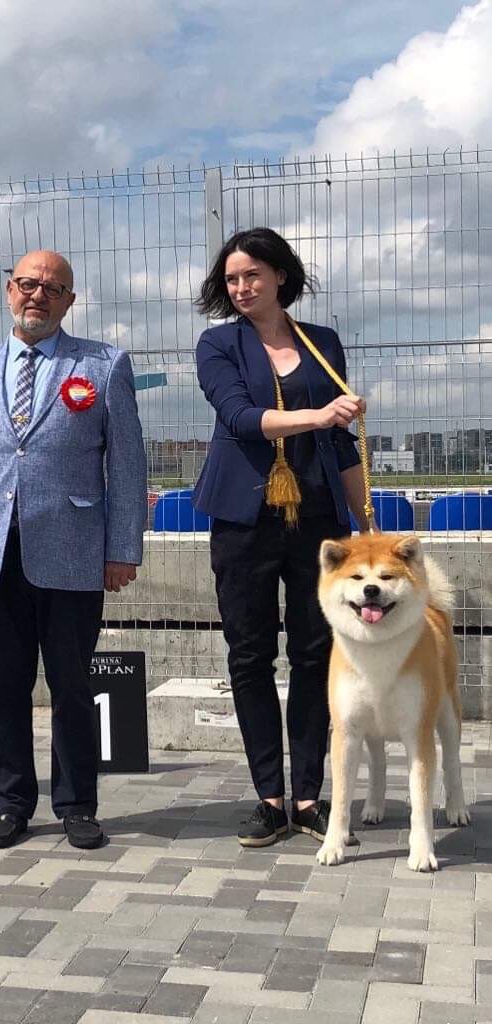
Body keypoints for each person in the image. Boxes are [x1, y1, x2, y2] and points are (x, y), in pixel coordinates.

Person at [0, 249, 147, 850]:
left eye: (53, 288)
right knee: (2, 687)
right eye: (28, 284)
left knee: (72, 687)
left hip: (73, 552)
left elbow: (127, 464)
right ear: (10, 290)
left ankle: (77, 805)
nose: (38, 295)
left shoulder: (104, 366)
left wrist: (122, 547)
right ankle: (9, 804)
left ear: (69, 301)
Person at [193, 227, 370, 848]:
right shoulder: (218, 344)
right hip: (243, 521)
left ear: (280, 277)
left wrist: (366, 521)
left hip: (318, 519)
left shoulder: (322, 343)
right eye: (232, 278)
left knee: (316, 654)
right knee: (250, 655)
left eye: (253, 275)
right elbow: (241, 419)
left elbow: (340, 441)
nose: (241, 287)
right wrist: (318, 415)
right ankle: (269, 797)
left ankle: (309, 797)